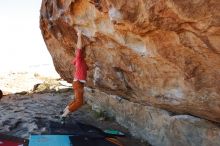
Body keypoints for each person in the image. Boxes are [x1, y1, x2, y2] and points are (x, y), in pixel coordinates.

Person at [60, 29, 89, 124]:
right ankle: (63, 116)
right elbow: (79, 48)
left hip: (78, 83)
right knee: (79, 102)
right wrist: (79, 35)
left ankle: (64, 111)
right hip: (78, 83)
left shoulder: (81, 61)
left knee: (76, 100)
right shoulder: (79, 58)